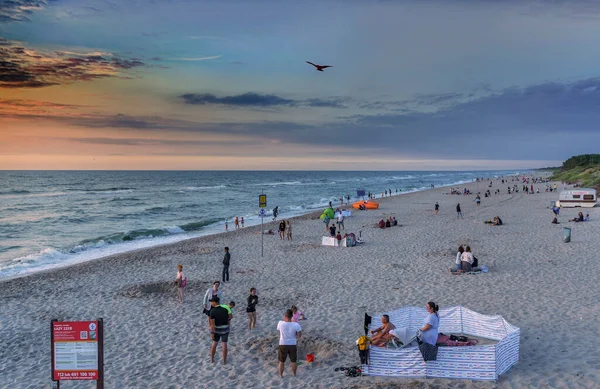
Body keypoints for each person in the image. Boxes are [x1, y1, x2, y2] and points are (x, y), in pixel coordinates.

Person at [277, 309, 302, 377]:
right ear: (292, 316)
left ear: (285, 316)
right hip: (292, 344)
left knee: (281, 361)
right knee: (293, 361)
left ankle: (281, 375)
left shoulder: (280, 323)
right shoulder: (296, 324)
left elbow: (279, 330)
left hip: (283, 344)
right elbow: (299, 335)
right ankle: (294, 374)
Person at [209, 296, 231, 364]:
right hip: (225, 329)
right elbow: (230, 317)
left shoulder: (212, 311)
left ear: (215, 302)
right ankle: (224, 361)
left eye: (211, 302)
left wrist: (212, 333)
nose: (211, 303)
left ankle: (212, 359)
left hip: (217, 330)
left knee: (214, 344)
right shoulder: (225, 309)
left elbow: (212, 324)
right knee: (224, 344)